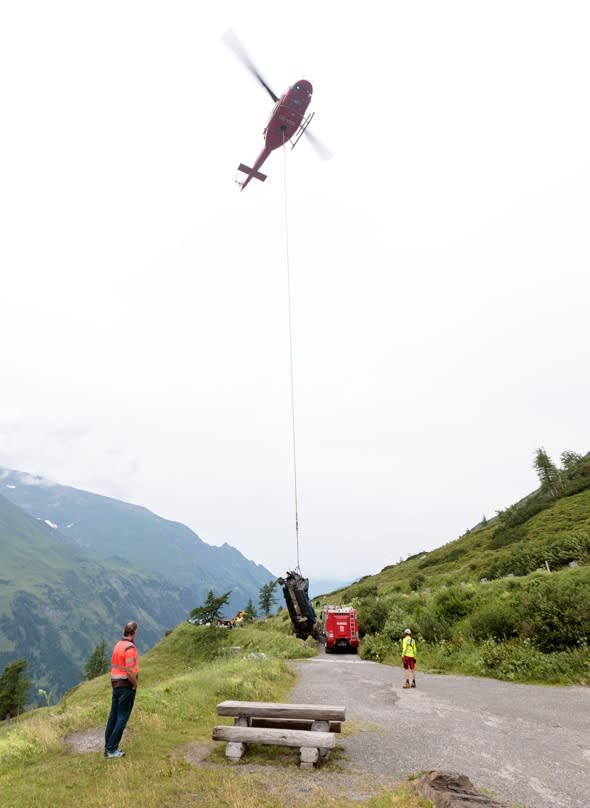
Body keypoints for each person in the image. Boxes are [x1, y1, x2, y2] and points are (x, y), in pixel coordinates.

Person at [104, 621, 139, 758]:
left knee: (113, 717)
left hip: (115, 685)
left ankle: (108, 746)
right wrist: (135, 684)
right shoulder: (130, 648)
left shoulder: (118, 645)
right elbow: (130, 671)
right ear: (134, 632)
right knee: (122, 718)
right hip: (126, 686)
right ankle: (112, 749)